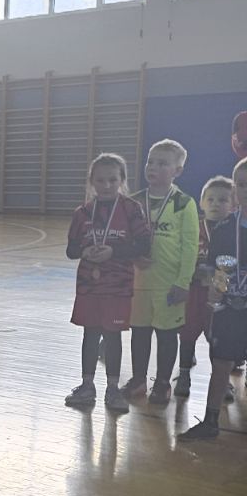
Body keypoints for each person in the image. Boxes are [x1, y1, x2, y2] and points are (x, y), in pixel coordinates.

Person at [63, 153, 150, 413]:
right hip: (89, 286)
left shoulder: (131, 209)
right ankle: (87, 385)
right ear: (91, 181)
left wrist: (113, 251)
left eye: (113, 180)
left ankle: (113, 388)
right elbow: (71, 249)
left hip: (118, 286)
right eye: (100, 180)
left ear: (122, 180)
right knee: (90, 334)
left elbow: (143, 245)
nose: (107, 185)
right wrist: (85, 251)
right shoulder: (82, 212)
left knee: (113, 336)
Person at [122, 140, 199, 405]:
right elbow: (123, 239)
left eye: (162, 163)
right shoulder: (133, 202)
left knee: (166, 335)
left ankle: (163, 383)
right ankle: (138, 380)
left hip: (169, 284)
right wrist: (133, 256)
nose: (153, 167)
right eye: (150, 161)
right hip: (139, 283)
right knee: (139, 333)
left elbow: (190, 247)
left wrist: (183, 282)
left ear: (177, 171)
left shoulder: (183, 203)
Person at [179, 158, 247, 442]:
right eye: (241, 184)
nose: (245, 190)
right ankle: (210, 421)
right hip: (229, 309)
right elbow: (219, 266)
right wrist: (215, 290)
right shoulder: (224, 228)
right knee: (220, 363)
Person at [176, 176, 236, 400]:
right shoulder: (192, 228)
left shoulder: (234, 231)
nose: (215, 204)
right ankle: (183, 375)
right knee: (188, 332)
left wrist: (221, 284)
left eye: (223, 200)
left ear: (234, 205)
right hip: (194, 292)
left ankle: (222, 380)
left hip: (222, 295)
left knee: (219, 338)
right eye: (210, 199)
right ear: (201, 203)